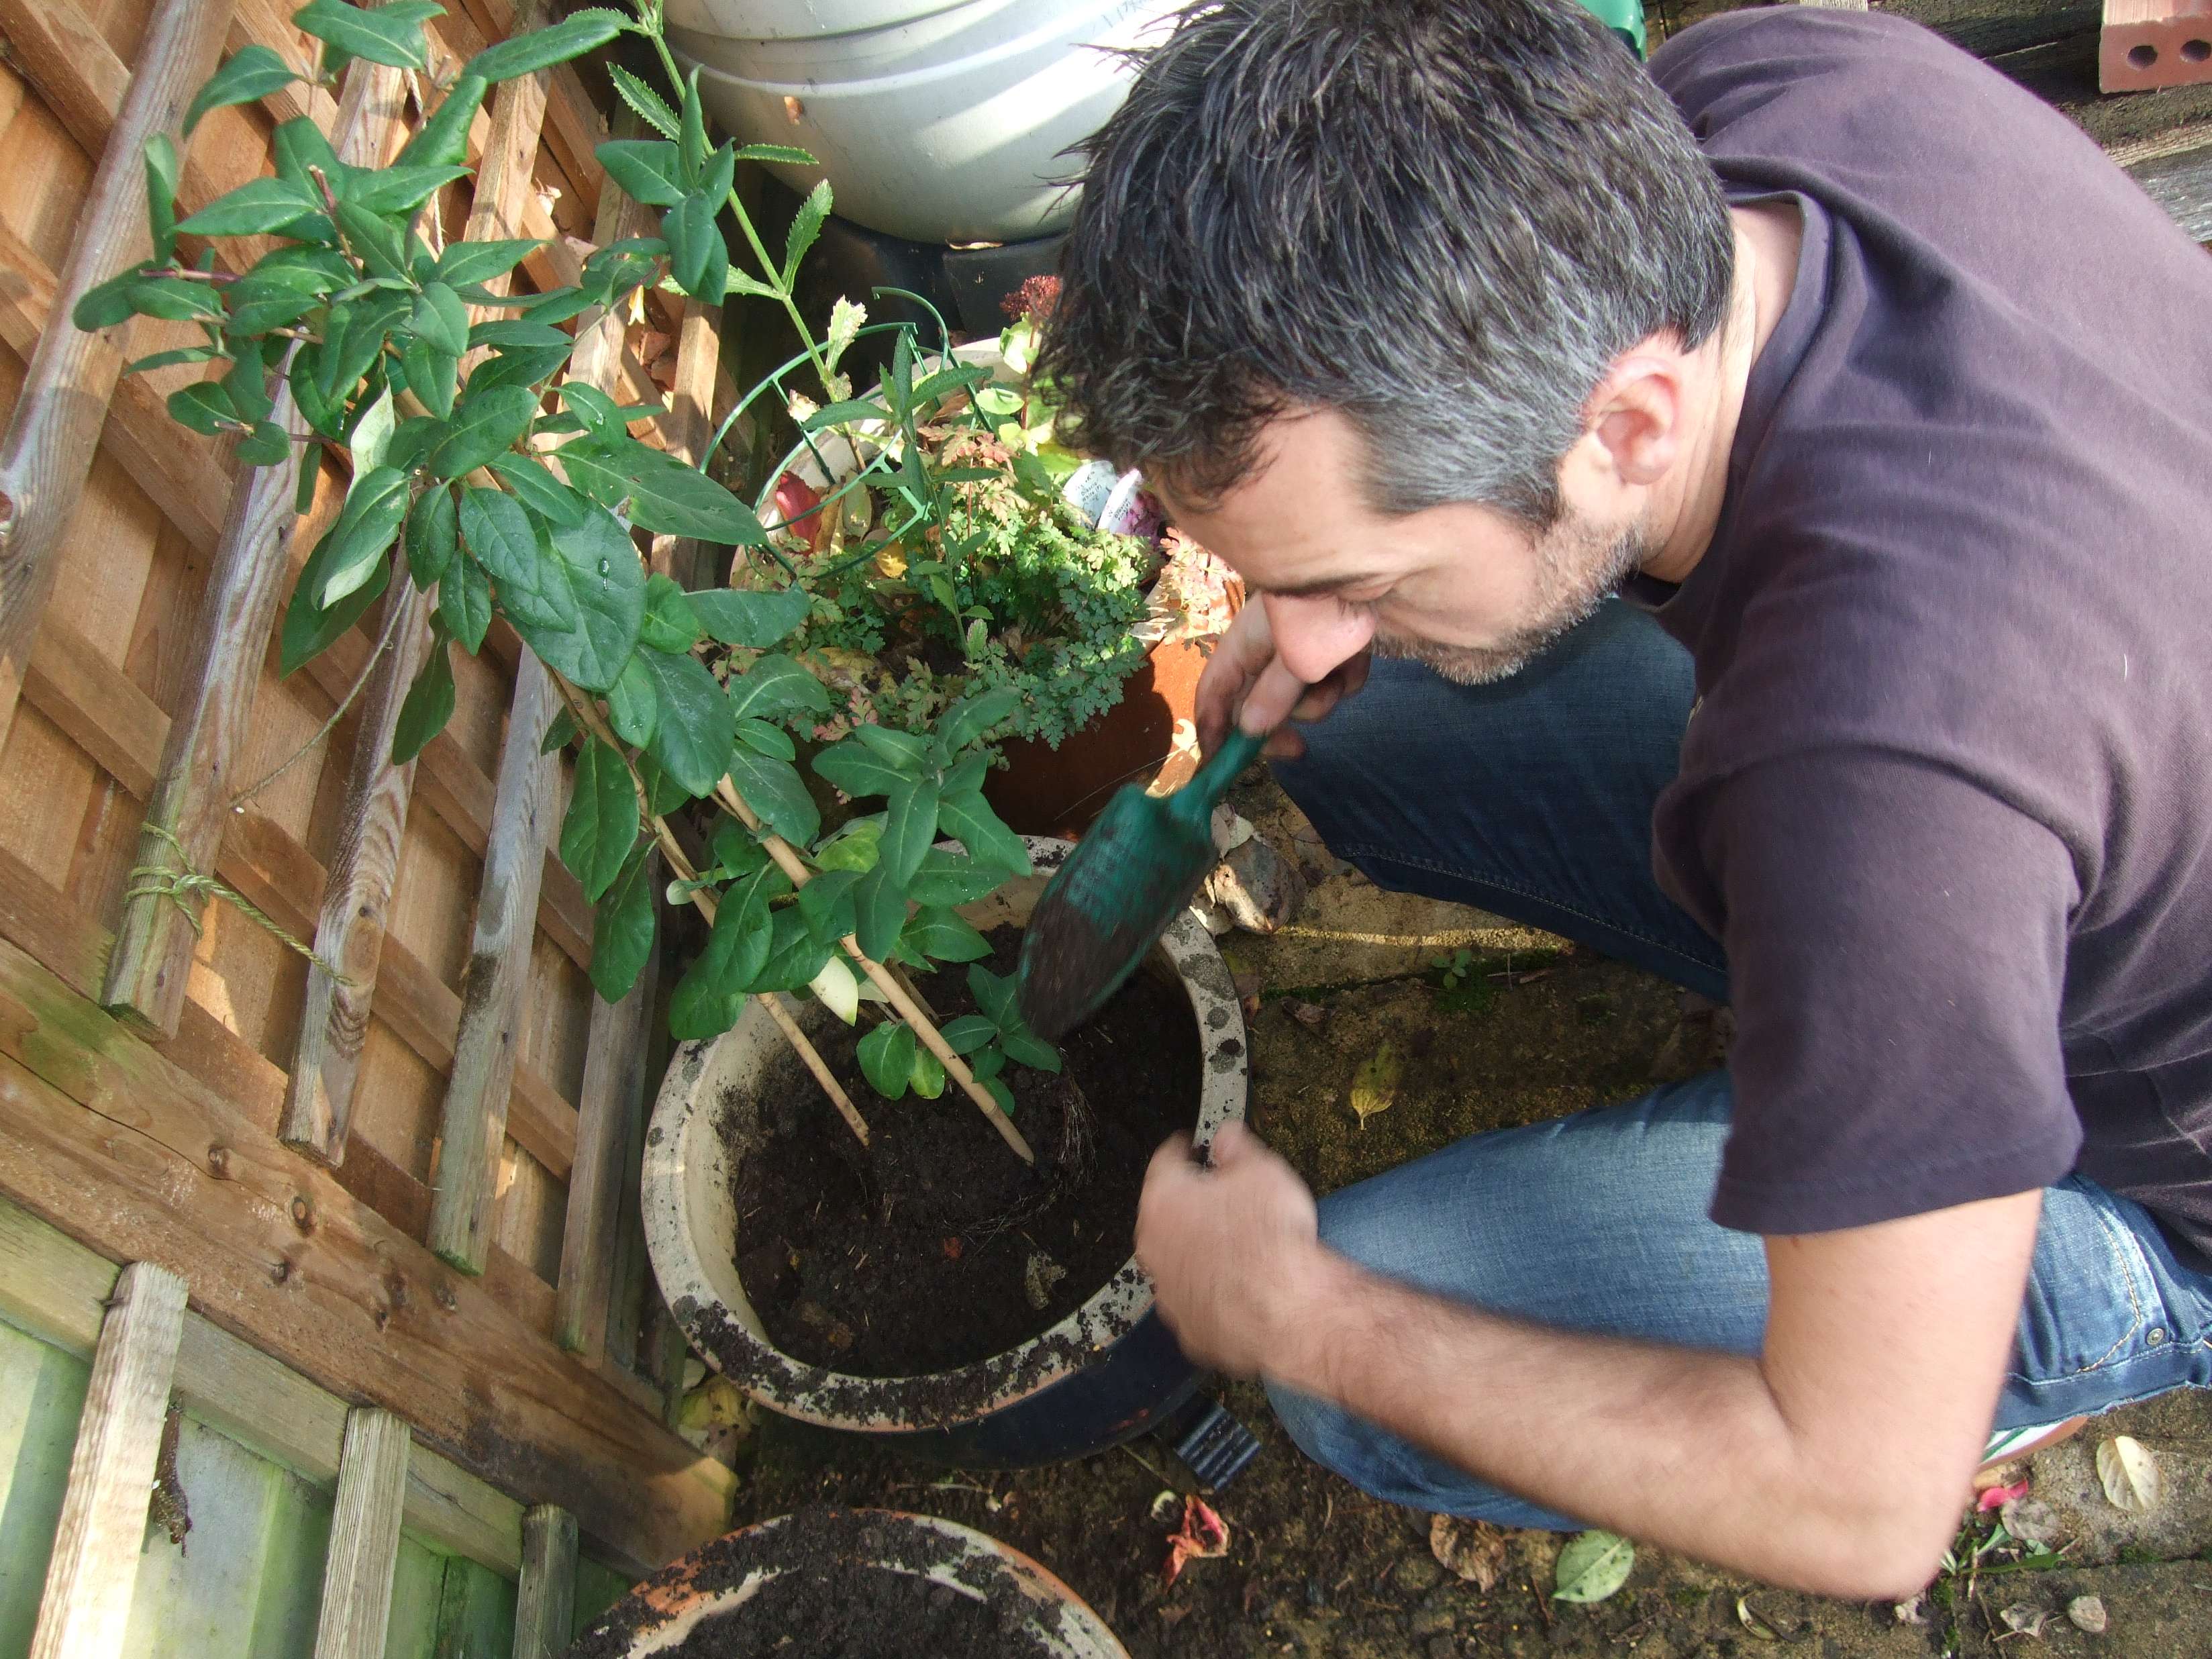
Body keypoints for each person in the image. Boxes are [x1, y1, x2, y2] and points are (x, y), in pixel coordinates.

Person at [1034, 0, 2212, 1597]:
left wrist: (1298, 1314)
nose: (1291, 630)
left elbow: (1857, 1512)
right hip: (2068, 813)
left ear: (1628, 424)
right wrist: (1319, 579)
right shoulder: (1760, 98)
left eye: (1347, 576)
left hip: (2153, 1160)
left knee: (1353, 1346)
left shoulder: (1877, 782)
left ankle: (2055, 1284)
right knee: (1376, 737)